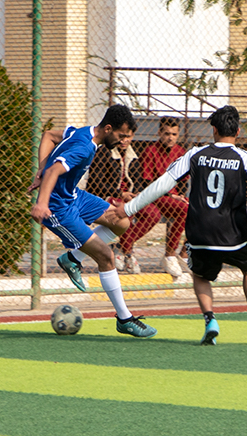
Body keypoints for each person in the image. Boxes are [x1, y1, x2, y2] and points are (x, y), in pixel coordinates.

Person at [123, 104, 247, 343]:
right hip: (233, 234)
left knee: (200, 275)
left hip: (200, 233)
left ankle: (210, 320)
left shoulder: (195, 154)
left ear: (214, 130)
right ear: (238, 132)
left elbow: (162, 184)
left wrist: (128, 208)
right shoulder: (246, 157)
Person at [31, 104, 157, 338]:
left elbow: (48, 136)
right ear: (108, 129)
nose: (123, 141)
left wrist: (40, 168)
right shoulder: (84, 147)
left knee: (121, 222)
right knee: (106, 257)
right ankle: (125, 319)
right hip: (58, 208)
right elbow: (53, 172)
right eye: (120, 135)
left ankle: (72, 258)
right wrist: (42, 203)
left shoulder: (81, 131)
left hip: (74, 197)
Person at [117, 116, 190, 277]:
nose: (170, 138)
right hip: (155, 195)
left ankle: (184, 254)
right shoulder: (151, 151)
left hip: (173, 198)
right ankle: (170, 255)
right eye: (166, 133)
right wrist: (172, 195)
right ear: (159, 133)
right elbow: (148, 183)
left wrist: (180, 195)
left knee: (200, 210)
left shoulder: (180, 152)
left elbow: (184, 181)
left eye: (174, 134)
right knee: (185, 208)